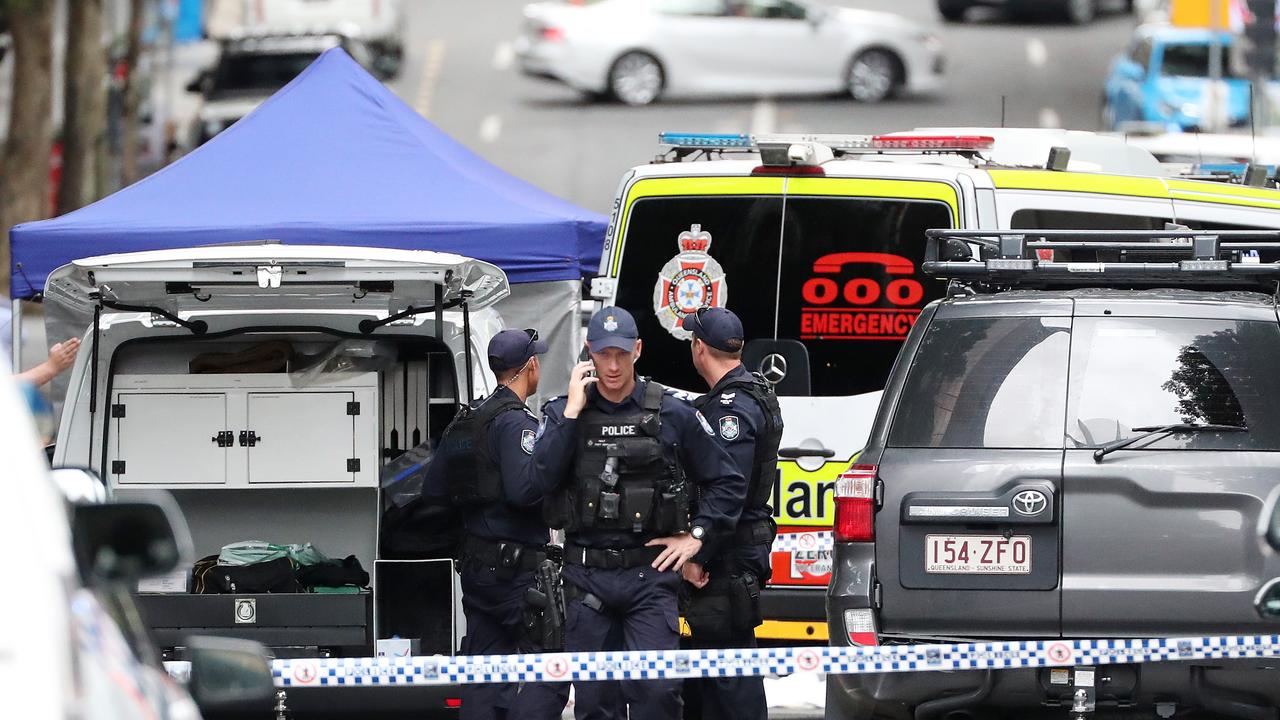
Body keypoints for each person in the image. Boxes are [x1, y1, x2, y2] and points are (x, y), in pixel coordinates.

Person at [532, 307, 746, 720]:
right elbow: (537, 483)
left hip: (648, 578)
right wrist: (572, 413)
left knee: (659, 695)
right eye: (604, 354)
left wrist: (697, 536)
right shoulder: (565, 413)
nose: (613, 366)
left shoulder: (671, 412)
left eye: (622, 354)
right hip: (586, 577)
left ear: (638, 351)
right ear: (588, 352)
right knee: (596, 705)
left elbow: (728, 482)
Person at [423, 328, 568, 720]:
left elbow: (434, 491)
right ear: (530, 366)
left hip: (476, 570)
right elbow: (525, 492)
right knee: (550, 669)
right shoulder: (516, 423)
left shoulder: (467, 420)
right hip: (517, 574)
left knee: (485, 672)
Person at [678, 308, 783, 720]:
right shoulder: (753, 389)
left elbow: (728, 493)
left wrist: (696, 555)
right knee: (715, 671)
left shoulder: (731, 409)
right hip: (734, 548)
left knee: (728, 675)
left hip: (725, 554)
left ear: (699, 347)